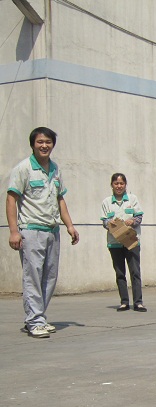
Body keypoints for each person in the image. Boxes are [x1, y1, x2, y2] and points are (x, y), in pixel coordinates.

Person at [6, 127, 80, 339]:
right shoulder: (23, 168)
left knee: (49, 277)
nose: (44, 145)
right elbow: (11, 199)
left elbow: (60, 199)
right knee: (33, 277)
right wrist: (14, 231)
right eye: (40, 142)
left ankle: (37, 316)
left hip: (52, 231)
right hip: (31, 231)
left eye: (48, 142)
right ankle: (35, 321)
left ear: (53, 145)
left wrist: (69, 226)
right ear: (32, 144)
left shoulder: (55, 169)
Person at [101, 173, 146, 312]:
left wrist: (133, 221)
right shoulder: (107, 202)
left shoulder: (132, 199)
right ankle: (124, 302)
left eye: (121, 183)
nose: (119, 186)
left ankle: (138, 302)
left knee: (135, 272)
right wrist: (110, 223)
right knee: (120, 273)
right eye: (116, 183)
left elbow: (139, 217)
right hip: (114, 243)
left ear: (125, 185)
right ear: (112, 185)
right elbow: (104, 222)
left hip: (131, 242)